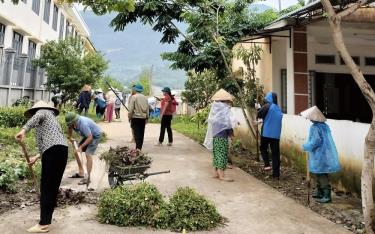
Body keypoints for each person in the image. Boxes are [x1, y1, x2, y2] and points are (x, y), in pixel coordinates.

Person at [15, 101, 68, 233]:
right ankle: (46, 219)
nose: (34, 115)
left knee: (47, 186)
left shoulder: (43, 112)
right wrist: (37, 157)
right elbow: (53, 142)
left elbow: (38, 117)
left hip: (53, 152)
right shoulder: (51, 121)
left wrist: (23, 130)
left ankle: (43, 223)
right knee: (51, 186)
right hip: (61, 151)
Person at [301, 106, 341, 203]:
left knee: (321, 175)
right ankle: (320, 192)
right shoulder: (324, 126)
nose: (309, 119)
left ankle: (326, 195)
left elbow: (315, 141)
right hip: (324, 154)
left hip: (319, 154)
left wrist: (306, 146)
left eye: (310, 117)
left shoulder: (315, 127)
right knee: (320, 173)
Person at [204, 89, 236, 182]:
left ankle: (215, 173)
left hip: (215, 137)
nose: (229, 103)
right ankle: (222, 175)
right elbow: (228, 125)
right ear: (225, 101)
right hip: (222, 138)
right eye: (228, 102)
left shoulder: (215, 112)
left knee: (216, 154)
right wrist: (231, 134)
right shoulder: (225, 112)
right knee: (222, 155)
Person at [66, 112, 103, 185]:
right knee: (76, 152)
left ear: (74, 121)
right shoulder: (72, 123)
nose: (70, 126)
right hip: (88, 135)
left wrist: (81, 147)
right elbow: (69, 128)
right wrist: (70, 137)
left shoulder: (83, 124)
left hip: (95, 135)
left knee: (88, 154)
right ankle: (81, 173)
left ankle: (88, 178)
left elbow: (90, 137)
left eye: (71, 124)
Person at [256, 92, 283, 179]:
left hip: (266, 133)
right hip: (276, 135)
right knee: (275, 154)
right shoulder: (278, 108)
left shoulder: (267, 106)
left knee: (263, 148)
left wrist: (258, 108)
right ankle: (276, 174)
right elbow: (269, 118)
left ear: (269, 98)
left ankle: (267, 164)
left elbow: (259, 114)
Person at [128, 84, 149, 150]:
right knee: (141, 133)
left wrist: (129, 116)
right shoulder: (145, 98)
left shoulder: (134, 97)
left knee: (136, 133)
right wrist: (147, 118)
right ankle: (139, 148)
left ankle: (137, 149)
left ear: (135, 89)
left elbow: (131, 109)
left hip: (135, 118)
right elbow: (147, 109)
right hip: (143, 118)